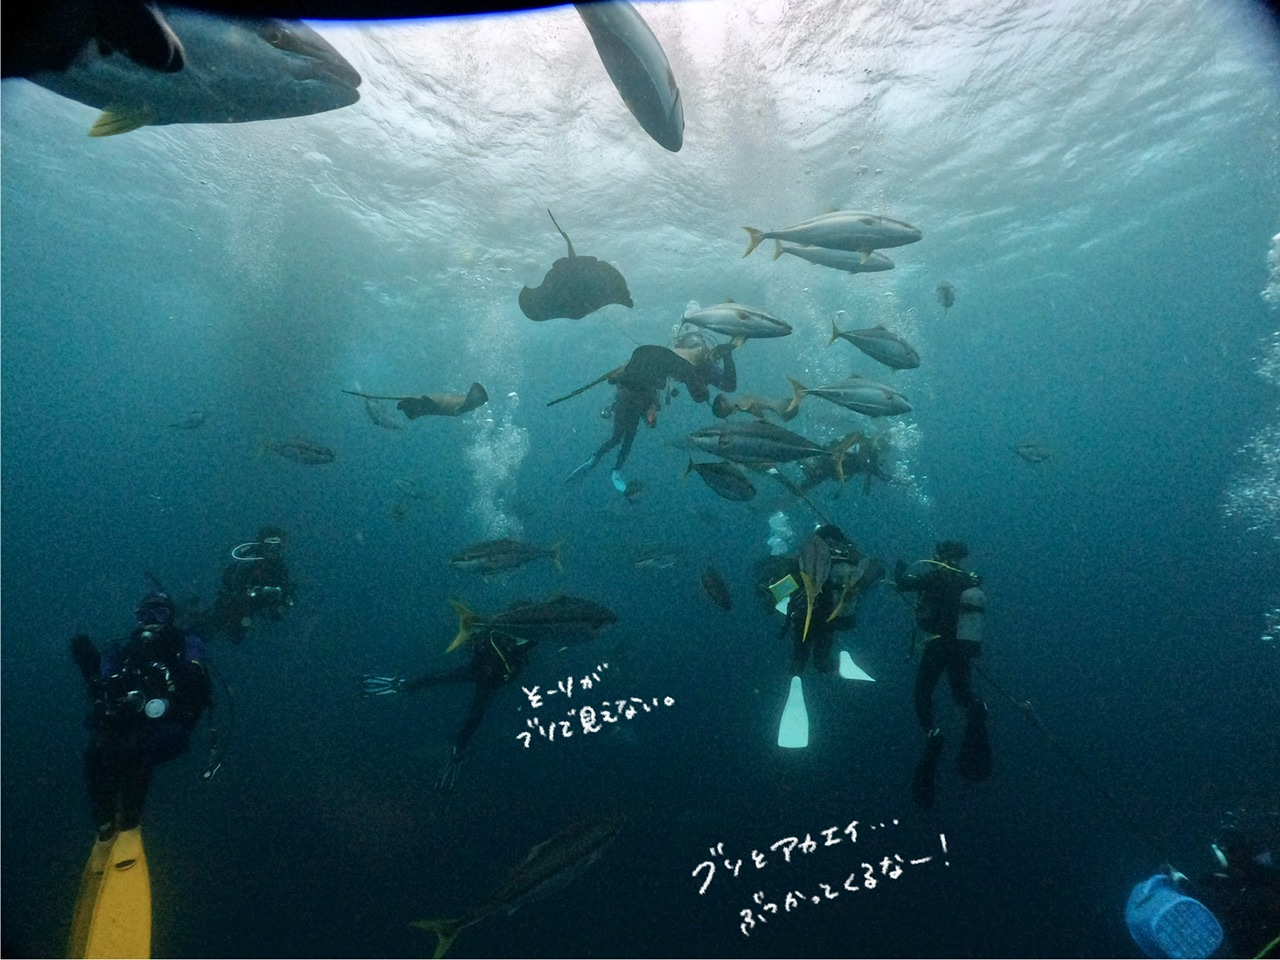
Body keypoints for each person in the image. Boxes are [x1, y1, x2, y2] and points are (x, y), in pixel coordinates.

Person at [70, 590, 213, 841]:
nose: (151, 620)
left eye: (160, 614)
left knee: (135, 751)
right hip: (133, 720)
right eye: (145, 614)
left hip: (173, 722)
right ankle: (103, 818)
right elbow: (105, 687)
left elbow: (194, 680)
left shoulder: (184, 644)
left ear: (170, 617)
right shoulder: (127, 649)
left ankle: (130, 820)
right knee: (97, 750)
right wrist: (90, 667)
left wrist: (177, 669)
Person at [361, 629, 534, 794]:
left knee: (446, 683)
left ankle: (402, 685)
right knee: (471, 714)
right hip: (487, 678)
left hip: (485, 677)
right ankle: (457, 751)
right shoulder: (504, 637)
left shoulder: (502, 637)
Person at [893, 539, 990, 808]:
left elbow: (904, 585)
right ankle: (978, 708)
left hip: (938, 645)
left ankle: (933, 733)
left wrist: (899, 571)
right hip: (963, 648)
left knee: (923, 693)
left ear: (940, 555)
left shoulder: (937, 575)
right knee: (962, 693)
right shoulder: (969, 581)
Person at [770, 524, 884, 748]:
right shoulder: (846, 561)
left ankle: (797, 679)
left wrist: (771, 594)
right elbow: (877, 570)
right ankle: (840, 660)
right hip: (829, 620)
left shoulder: (807, 559)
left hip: (808, 618)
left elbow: (783, 586)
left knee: (798, 663)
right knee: (821, 663)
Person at [1125, 810, 1280, 959]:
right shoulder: (1225, 885)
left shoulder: (1246, 888)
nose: (1265, 857)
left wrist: (1182, 883)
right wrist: (1183, 883)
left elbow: (1232, 903)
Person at [200, 525, 294, 643]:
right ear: (262, 546)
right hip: (236, 605)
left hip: (257, 605)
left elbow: (286, 588)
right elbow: (231, 585)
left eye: (277, 547)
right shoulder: (249, 564)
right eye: (269, 546)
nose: (272, 550)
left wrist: (282, 604)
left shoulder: (280, 568)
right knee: (219, 630)